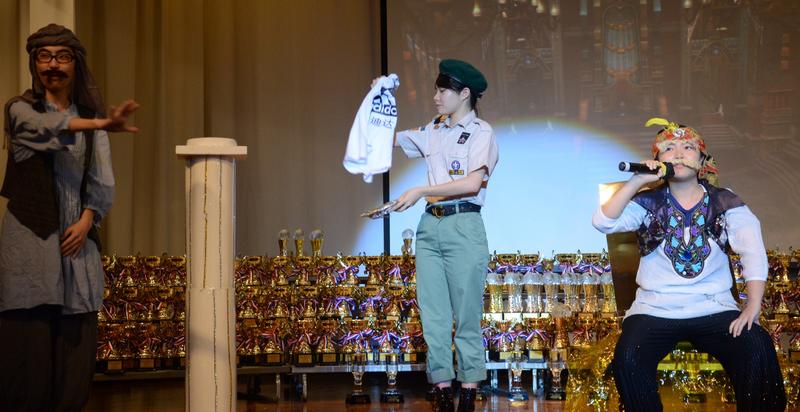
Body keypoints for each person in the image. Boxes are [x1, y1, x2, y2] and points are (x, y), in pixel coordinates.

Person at [592, 118, 786, 411]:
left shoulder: (725, 202)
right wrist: (637, 181)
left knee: (756, 346)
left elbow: (753, 252)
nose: (679, 153)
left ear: (703, 160)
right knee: (629, 356)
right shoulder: (647, 202)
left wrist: (753, 306)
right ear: (658, 161)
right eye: (669, 148)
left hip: (714, 308)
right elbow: (602, 222)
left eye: (688, 147)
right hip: (655, 310)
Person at [0, 23, 139, 411]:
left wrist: (87, 219)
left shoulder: (92, 123)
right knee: (27, 357)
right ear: (34, 64)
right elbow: (44, 128)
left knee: (72, 359)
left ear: (75, 64)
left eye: (62, 57)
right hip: (29, 245)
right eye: (44, 56)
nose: (53, 65)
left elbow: (102, 181)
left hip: (75, 245)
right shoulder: (20, 109)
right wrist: (100, 122)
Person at [389, 59, 498, 412]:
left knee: (466, 314)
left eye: (442, 91)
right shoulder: (433, 129)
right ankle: (442, 391)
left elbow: (472, 183)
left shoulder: (481, 132)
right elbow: (389, 141)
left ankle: (468, 392)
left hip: (463, 224)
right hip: (430, 227)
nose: (435, 97)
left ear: (464, 93)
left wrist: (421, 190)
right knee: (433, 315)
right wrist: (378, 102)